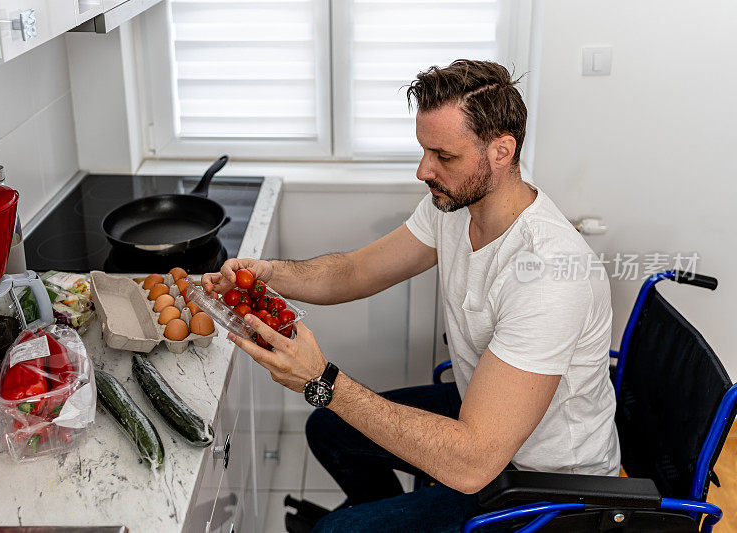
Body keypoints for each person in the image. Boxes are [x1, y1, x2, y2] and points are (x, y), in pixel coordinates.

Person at [201, 59, 619, 532]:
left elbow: (472, 463)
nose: (424, 170)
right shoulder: (454, 206)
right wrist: (270, 273)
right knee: (329, 430)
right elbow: (356, 272)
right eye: (424, 151)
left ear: (502, 152)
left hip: (542, 486)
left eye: (444, 156)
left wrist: (321, 379)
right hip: (482, 422)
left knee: (334, 531)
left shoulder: (547, 273)